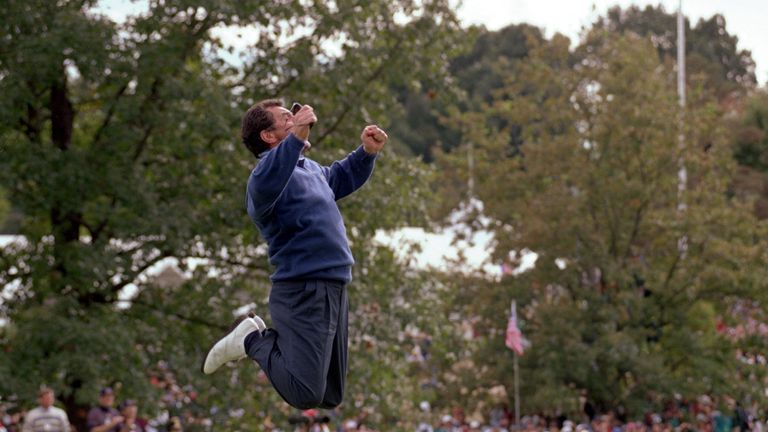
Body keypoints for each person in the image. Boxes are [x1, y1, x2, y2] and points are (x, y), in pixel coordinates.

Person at [201, 99, 387, 410]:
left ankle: (258, 340)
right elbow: (276, 171)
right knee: (305, 393)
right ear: (268, 136)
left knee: (330, 393)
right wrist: (298, 134)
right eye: (287, 117)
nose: (295, 119)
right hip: (303, 288)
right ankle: (250, 340)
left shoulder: (308, 168)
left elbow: (340, 178)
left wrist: (366, 153)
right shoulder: (262, 180)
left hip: (334, 284)